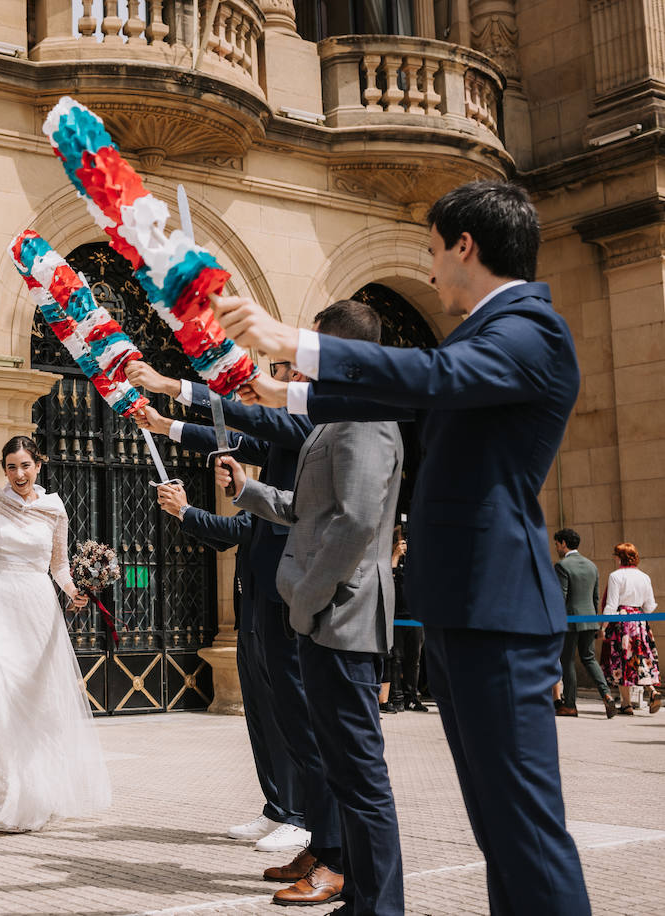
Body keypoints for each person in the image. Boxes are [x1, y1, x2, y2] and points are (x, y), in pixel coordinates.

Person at [217, 179, 592, 915]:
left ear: (465, 246)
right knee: (499, 830)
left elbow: (433, 378)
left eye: (430, 251)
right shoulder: (488, 336)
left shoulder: (528, 327)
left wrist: (297, 343)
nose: (427, 271)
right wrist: (284, 393)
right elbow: (412, 395)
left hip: (500, 611)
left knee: (525, 833)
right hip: (467, 605)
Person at [218, 299, 404, 914]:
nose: (301, 354)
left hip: (343, 613)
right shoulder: (336, 413)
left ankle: (373, 900)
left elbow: (353, 520)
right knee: (342, 765)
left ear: (339, 349)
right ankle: (354, 888)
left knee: (357, 770)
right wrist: (248, 491)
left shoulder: (366, 414)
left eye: (311, 343)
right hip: (327, 613)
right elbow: (310, 506)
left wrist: (306, 594)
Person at [141, 403, 310, 856]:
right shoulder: (274, 452)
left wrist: (189, 510)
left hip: (283, 598)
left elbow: (241, 520)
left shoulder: (302, 439)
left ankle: (302, 816)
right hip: (251, 598)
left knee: (285, 711)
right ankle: (278, 807)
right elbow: (234, 525)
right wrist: (162, 427)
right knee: (259, 711)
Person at [0, 422, 111, 832]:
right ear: (4, 469)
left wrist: (72, 592)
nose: (19, 473)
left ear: (38, 465)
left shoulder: (55, 508)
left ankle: (28, 799)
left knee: (35, 707)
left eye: (25, 465)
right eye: (11, 466)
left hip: (37, 611)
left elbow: (59, 565)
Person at [553, 528, 613, 718]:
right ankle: (607, 695)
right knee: (589, 658)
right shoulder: (592, 566)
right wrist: (595, 621)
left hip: (570, 620)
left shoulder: (562, 566)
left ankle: (569, 704)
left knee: (567, 660)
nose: (556, 548)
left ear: (563, 543)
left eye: (557, 544)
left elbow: (560, 597)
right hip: (589, 619)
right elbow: (595, 597)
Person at [599, 542, 660, 715]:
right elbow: (650, 605)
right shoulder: (644, 577)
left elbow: (611, 605)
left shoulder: (615, 576)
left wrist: (604, 627)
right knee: (640, 658)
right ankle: (653, 691)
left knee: (621, 661)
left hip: (622, 620)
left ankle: (626, 704)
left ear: (619, 557)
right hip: (640, 621)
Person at [389, 525, 426, 712]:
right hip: (397, 618)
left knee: (414, 660)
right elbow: (388, 582)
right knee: (396, 659)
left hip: (416, 618)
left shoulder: (416, 561)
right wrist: (395, 556)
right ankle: (397, 698)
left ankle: (413, 697)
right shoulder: (391, 560)